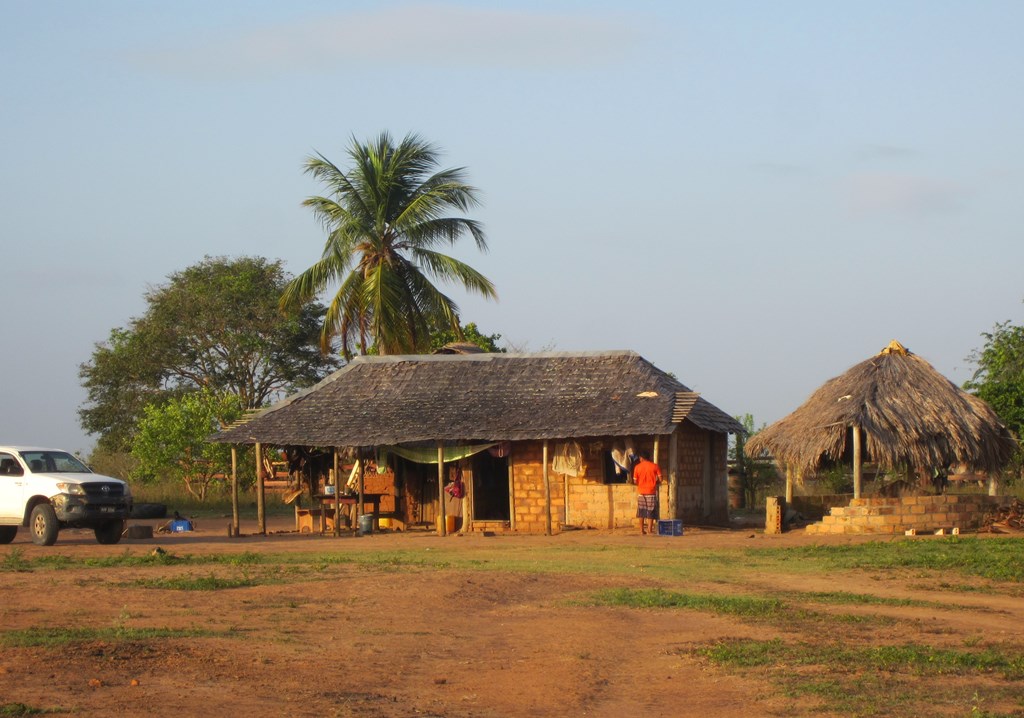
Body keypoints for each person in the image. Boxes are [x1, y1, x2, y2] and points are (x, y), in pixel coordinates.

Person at [632, 451, 662, 535]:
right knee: (651, 511)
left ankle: (641, 530)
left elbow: (635, 481)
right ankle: (649, 530)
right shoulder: (655, 466)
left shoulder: (637, 467)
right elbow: (660, 479)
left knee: (641, 511)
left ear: (641, 458)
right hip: (651, 492)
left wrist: (640, 483)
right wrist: (655, 483)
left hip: (641, 493)